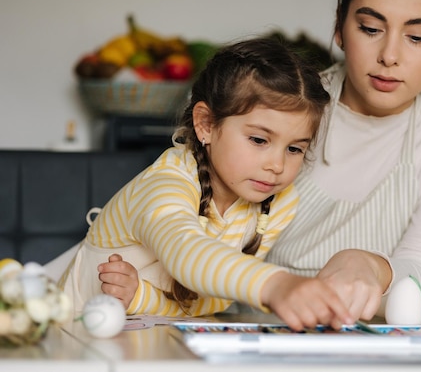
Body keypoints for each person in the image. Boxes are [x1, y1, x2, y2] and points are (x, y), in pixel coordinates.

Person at [100, 0, 421, 322]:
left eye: (418, 37)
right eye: (371, 29)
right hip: (248, 334)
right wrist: (276, 288)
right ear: (340, 27)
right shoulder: (281, 108)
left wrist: (372, 266)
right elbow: (188, 245)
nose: (390, 55)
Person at [59, 37, 354, 331]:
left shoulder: (279, 201)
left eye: (294, 149)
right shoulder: (166, 183)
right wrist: (273, 284)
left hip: (147, 345)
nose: (277, 166)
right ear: (206, 124)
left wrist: (141, 298)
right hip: (65, 338)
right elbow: (188, 254)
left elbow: (212, 301)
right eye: (259, 140)